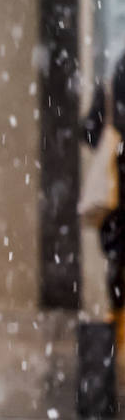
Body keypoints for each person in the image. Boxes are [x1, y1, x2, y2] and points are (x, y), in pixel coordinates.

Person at [81, 53, 125, 349]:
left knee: (117, 260)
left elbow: (88, 130)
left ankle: (118, 330)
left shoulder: (111, 83)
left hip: (117, 192)